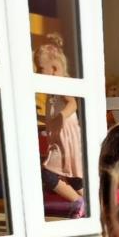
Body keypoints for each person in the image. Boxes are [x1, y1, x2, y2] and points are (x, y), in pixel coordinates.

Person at [34, 34, 85, 218]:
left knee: (48, 174)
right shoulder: (52, 89)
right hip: (61, 138)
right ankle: (97, 206)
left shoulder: (61, 84)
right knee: (75, 179)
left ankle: (79, 202)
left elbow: (72, 103)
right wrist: (44, 119)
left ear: (54, 69)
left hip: (66, 139)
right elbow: (53, 115)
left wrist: (61, 117)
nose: (38, 73)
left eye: (41, 69)